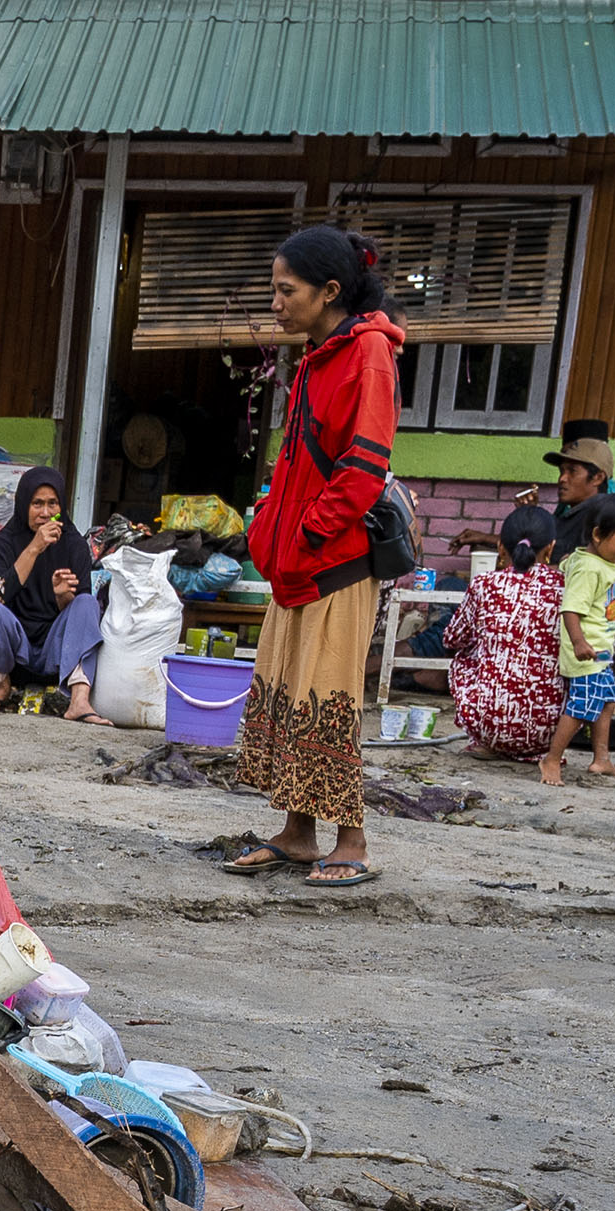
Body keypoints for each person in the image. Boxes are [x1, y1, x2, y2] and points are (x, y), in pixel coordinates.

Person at [220, 224, 403, 885]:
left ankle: (350, 842)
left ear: (329, 291)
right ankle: (298, 834)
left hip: (335, 564)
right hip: (298, 568)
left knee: (329, 701)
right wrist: (271, 529)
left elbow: (362, 469)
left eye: (284, 289)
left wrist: (302, 535)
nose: (276, 302)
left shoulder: (369, 356)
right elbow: (297, 461)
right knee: (291, 696)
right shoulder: (319, 355)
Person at [0, 467, 107, 718]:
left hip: (56, 657)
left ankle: (78, 700)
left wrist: (63, 597)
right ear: (23, 506)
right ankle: (1, 686)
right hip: (13, 655)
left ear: (62, 506)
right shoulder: (2, 543)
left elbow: (79, 617)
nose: (46, 513)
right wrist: (34, 548)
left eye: (52, 503)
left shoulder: (74, 544)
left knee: (87, 603)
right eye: (37, 504)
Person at [443, 506, 568, 762]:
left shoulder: (484, 584)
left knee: (464, 659)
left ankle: (487, 742)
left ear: (501, 548)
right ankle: (535, 749)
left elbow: (452, 639)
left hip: (490, 726)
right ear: (550, 548)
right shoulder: (565, 587)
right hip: (549, 731)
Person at [540, 493, 615, 785]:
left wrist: (566, 562)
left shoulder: (589, 560)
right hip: (585, 652)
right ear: (598, 535)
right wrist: (578, 643)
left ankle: (602, 759)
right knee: (581, 709)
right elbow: (570, 608)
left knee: (607, 703)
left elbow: (566, 564)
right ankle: (551, 759)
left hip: (600, 651)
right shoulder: (590, 568)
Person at [524, 420, 615, 556]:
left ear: (598, 478)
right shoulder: (573, 513)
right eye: (562, 471)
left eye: (572, 471)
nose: (562, 478)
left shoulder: (600, 519)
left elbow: (574, 569)